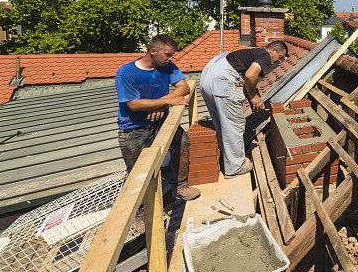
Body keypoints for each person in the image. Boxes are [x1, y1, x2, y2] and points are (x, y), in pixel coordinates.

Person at [115, 34, 200, 201]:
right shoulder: (126, 72)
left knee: (182, 142)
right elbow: (133, 104)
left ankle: (180, 187)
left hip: (160, 122)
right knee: (138, 174)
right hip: (134, 130)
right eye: (167, 54)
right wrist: (167, 101)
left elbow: (183, 87)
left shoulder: (166, 66)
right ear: (153, 51)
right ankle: (139, 214)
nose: (170, 58)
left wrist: (161, 103)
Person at [200, 40, 288, 176]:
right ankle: (235, 168)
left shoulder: (249, 52)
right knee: (233, 126)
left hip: (207, 80)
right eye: (280, 57)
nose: (280, 61)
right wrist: (253, 97)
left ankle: (225, 159)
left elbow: (244, 76)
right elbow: (250, 75)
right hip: (224, 82)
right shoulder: (265, 55)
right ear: (272, 51)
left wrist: (253, 95)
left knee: (221, 124)